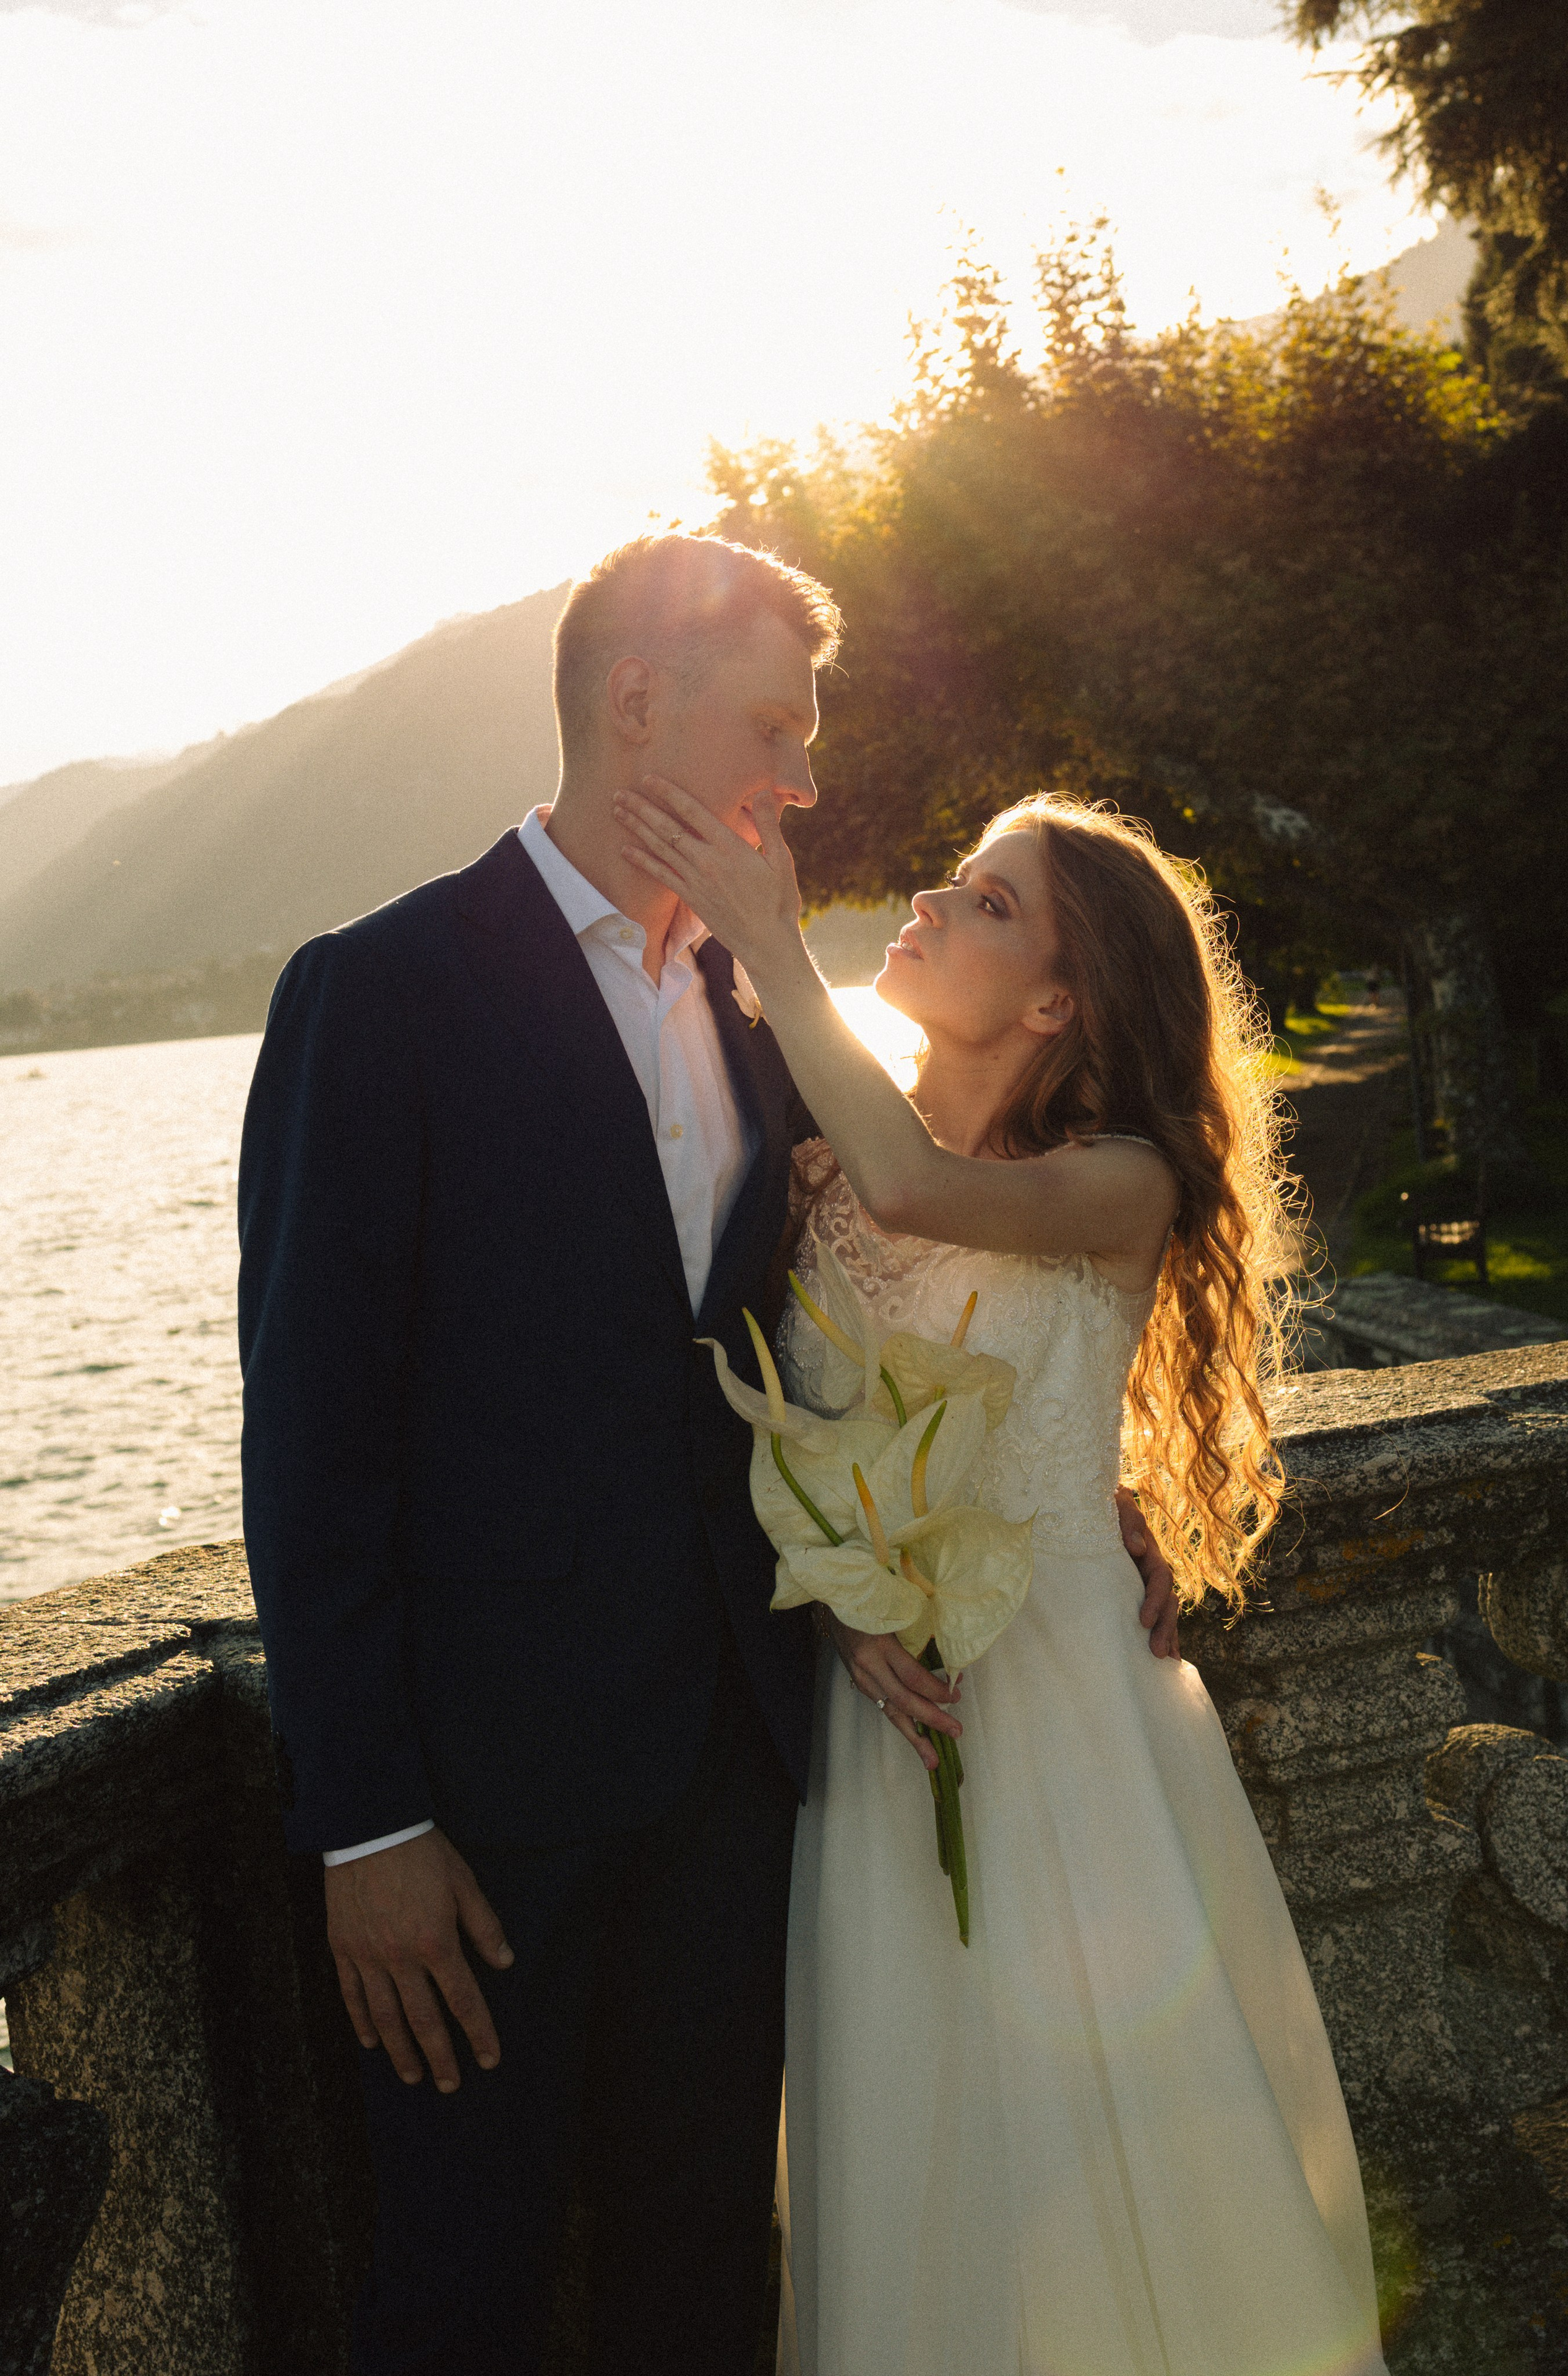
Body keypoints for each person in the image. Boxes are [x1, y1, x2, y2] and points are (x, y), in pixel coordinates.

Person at [237, 532, 1179, 2376]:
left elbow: (841, 1340)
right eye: (778, 724)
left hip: (750, 1781)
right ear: (638, 701)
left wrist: (1059, 1497)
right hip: (487, 1809)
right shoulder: (383, 990)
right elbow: (313, 1438)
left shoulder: (763, 1019)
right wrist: (369, 1822)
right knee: (461, 2286)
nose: (809, 782)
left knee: (705, 2283)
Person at [617, 776, 1389, 2376]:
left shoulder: (1121, 1182)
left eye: (987, 901)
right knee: (912, 2135)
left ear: (1059, 998)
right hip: (882, 1737)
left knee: (1097, 2148)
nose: (929, 905)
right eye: (953, 880)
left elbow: (927, 1197)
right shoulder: (817, 1170)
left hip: (1064, 1723)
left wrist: (771, 935)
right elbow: (775, 1433)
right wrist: (840, 1594)